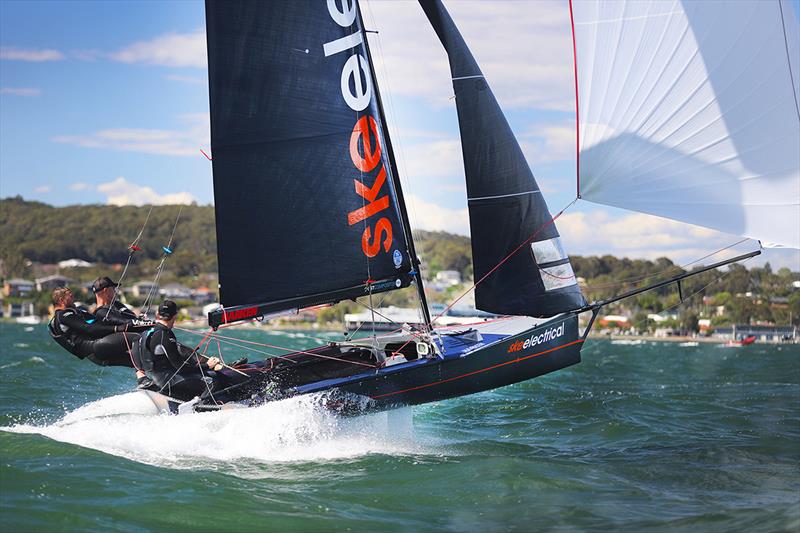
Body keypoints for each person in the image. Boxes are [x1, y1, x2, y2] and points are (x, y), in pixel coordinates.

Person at [134, 300, 224, 401]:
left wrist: (140, 373)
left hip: (152, 379)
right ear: (175, 316)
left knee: (195, 377)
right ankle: (200, 409)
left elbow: (135, 351)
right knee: (212, 381)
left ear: (157, 314)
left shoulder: (145, 333)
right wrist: (207, 366)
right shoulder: (165, 335)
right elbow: (181, 368)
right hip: (167, 381)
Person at [48, 286, 140, 368]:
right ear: (61, 300)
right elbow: (88, 328)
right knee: (136, 338)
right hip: (95, 347)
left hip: (95, 355)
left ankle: (148, 381)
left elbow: (98, 322)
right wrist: (116, 328)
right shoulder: (64, 315)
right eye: (70, 296)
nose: (73, 298)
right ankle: (144, 381)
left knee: (135, 359)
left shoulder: (72, 313)